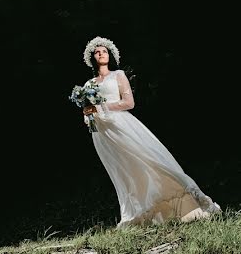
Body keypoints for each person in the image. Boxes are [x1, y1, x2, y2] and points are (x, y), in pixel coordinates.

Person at [80, 36, 221, 227]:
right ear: (92, 58)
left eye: (104, 51)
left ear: (110, 55)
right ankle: (140, 212)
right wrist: (88, 114)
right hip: (103, 133)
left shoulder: (118, 75)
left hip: (122, 125)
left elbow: (129, 103)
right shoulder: (89, 84)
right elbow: (87, 109)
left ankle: (184, 200)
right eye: (97, 52)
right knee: (124, 171)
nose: (101, 54)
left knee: (146, 159)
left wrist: (103, 107)